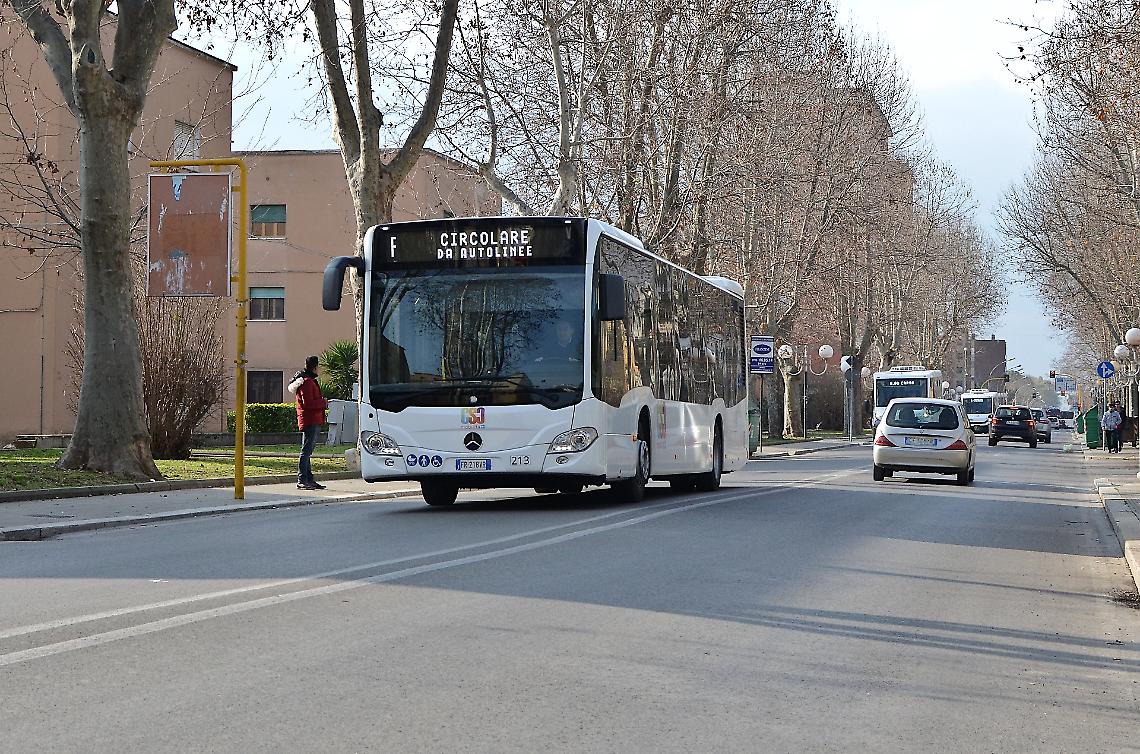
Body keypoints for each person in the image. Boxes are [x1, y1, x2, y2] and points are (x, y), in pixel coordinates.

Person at [288, 356, 328, 489]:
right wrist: (324, 402)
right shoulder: (307, 382)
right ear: (315, 367)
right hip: (310, 420)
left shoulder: (307, 381)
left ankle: (308, 479)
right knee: (306, 451)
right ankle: (302, 479)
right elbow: (308, 403)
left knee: (307, 451)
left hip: (310, 419)